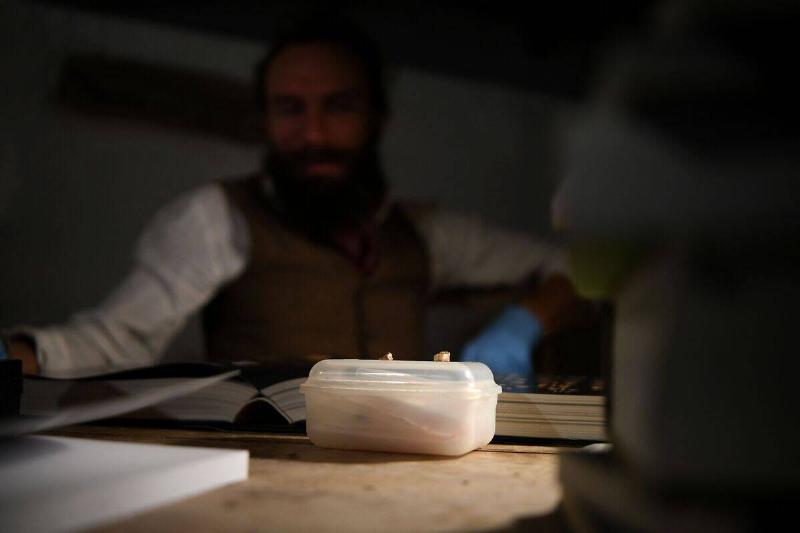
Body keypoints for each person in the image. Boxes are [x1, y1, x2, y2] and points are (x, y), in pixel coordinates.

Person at [0, 15, 585, 379]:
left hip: (410, 462)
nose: (313, 135)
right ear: (266, 120)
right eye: (290, 109)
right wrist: (18, 356)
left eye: (339, 106)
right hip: (263, 467)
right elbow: (117, 338)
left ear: (377, 118)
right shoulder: (216, 218)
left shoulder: (427, 233)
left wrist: (523, 326)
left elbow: (575, 265)